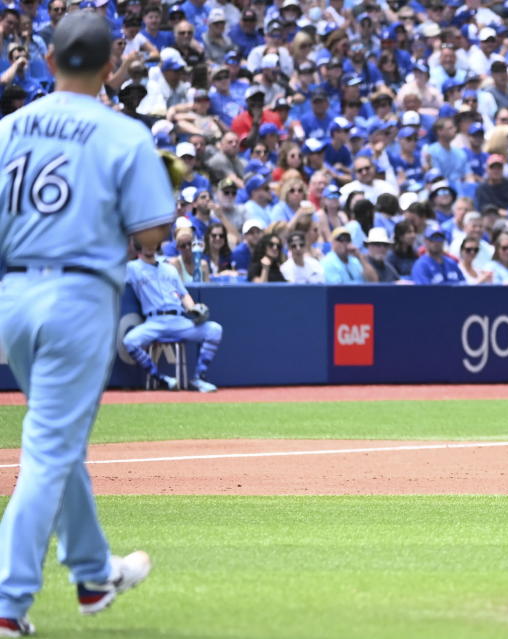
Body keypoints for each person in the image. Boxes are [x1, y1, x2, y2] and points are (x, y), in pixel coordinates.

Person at [0, 13, 166, 635]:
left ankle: (94, 576)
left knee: (56, 443)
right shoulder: (122, 134)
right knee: (47, 451)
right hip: (78, 296)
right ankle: (8, 603)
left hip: (14, 293)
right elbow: (150, 231)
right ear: (109, 67)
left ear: (47, 60)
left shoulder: (7, 127)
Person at [123, 239, 223, 393]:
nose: (150, 246)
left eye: (152, 242)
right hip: (154, 321)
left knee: (214, 329)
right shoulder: (132, 267)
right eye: (146, 242)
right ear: (138, 245)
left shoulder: (169, 268)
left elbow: (183, 295)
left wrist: (194, 309)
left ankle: (199, 378)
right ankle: (162, 379)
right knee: (130, 341)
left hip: (179, 320)